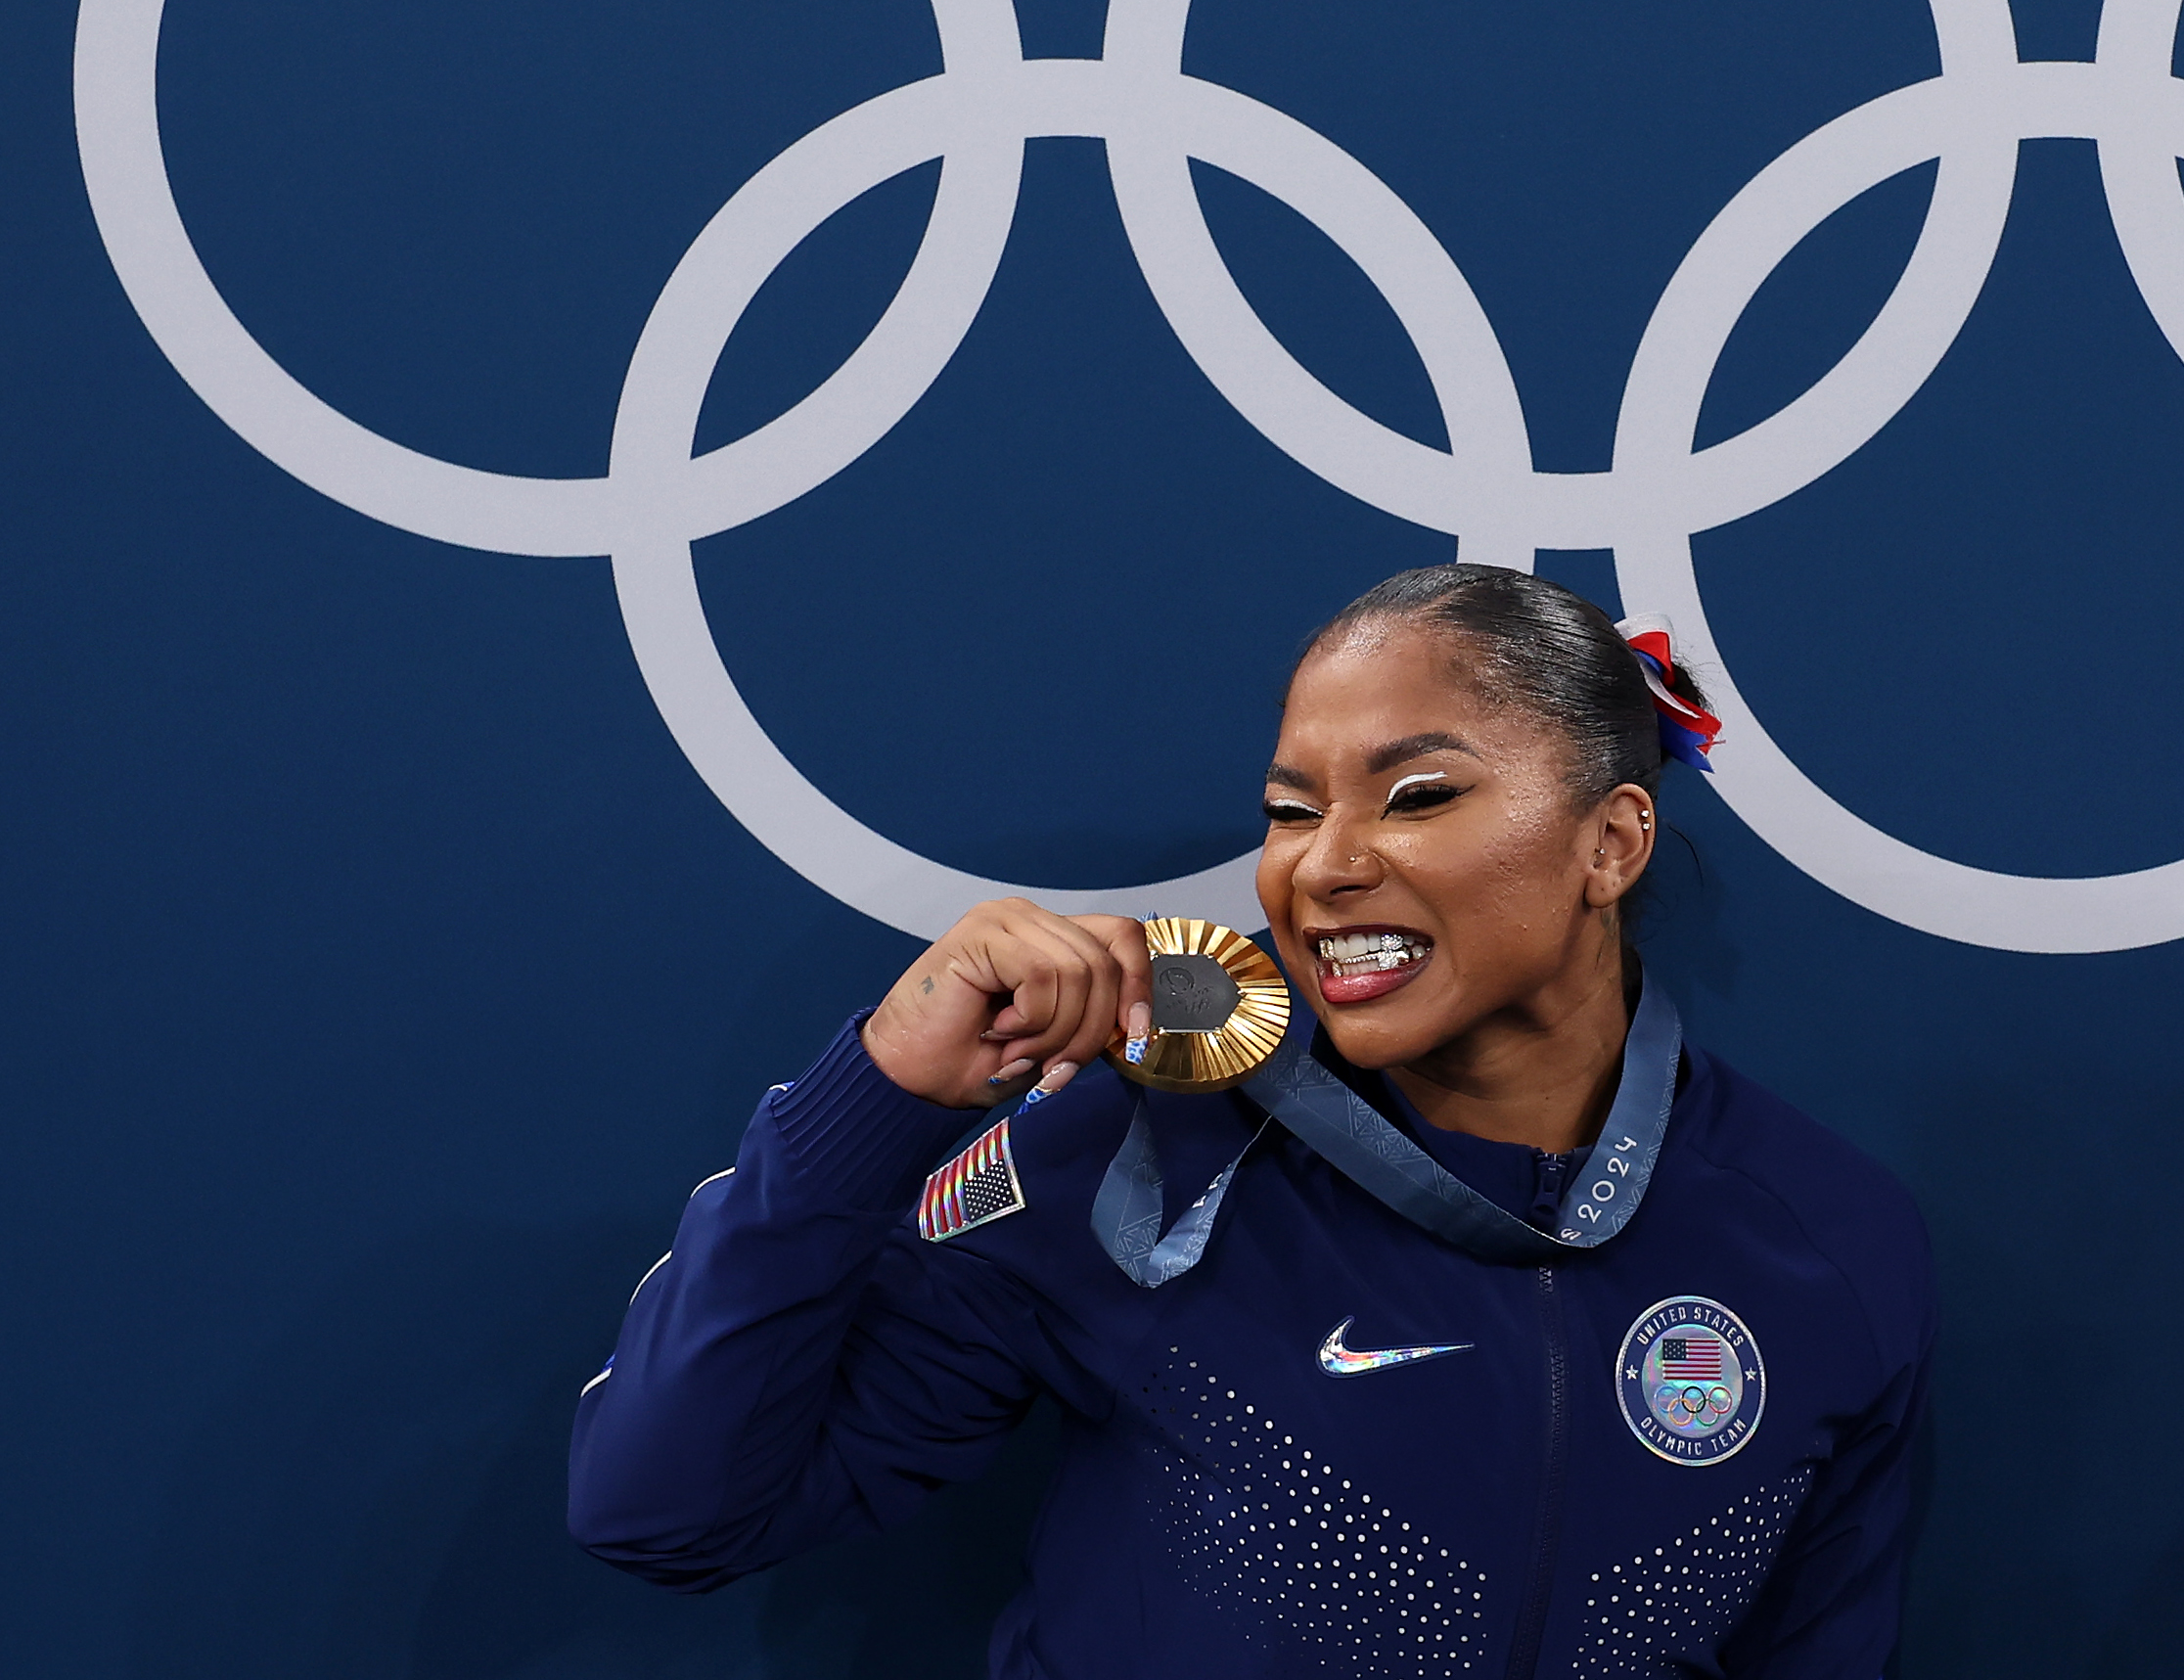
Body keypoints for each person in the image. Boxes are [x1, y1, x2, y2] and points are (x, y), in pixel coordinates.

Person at [569, 564, 1936, 1678]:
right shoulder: (1129, 1156)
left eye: (1417, 796)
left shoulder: (1828, 1235)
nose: (1324, 865)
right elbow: (666, 1511)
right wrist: (872, 1101)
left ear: (1611, 843)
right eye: (1291, 810)